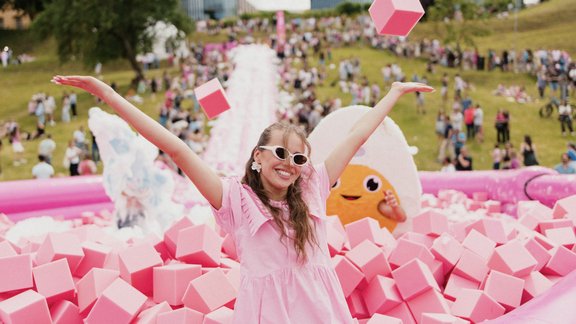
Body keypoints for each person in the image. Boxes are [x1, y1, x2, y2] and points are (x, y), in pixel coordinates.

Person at [52, 75, 433, 323]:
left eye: (299, 157)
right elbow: (178, 149)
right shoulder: (236, 198)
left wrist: (393, 93)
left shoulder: (312, 189)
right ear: (258, 156)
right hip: (268, 313)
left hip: (321, 310)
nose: (289, 163)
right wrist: (108, 93)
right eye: (280, 153)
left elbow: (355, 136)